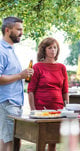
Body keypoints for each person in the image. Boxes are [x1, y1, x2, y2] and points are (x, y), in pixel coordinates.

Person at [0, 16, 33, 151]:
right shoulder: (1, 51)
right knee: (10, 143)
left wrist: (24, 76)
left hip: (14, 103)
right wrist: (20, 75)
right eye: (18, 29)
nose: (21, 32)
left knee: (7, 141)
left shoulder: (11, 50)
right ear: (7, 30)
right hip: (7, 103)